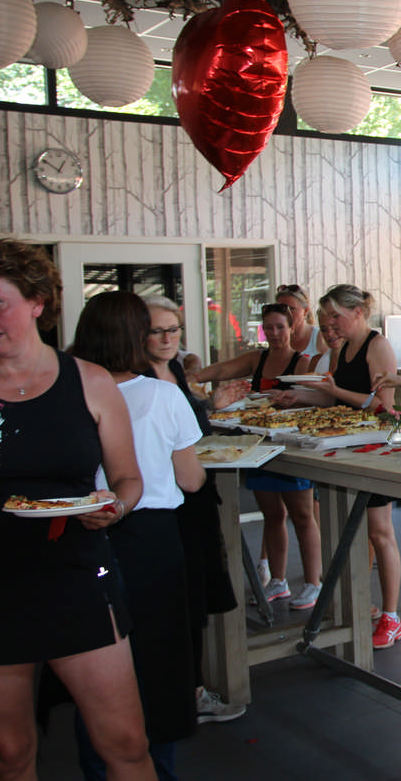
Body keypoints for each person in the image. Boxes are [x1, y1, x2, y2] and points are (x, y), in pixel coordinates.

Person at [0, 236, 154, 780]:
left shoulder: (89, 381)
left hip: (76, 581)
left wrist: (116, 506)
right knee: (8, 754)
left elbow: (128, 478)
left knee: (126, 743)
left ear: (37, 301)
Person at [70, 291, 206, 779]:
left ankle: (97, 765)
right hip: (148, 538)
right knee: (156, 661)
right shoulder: (161, 395)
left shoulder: (67, 391)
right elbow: (191, 480)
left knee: (95, 667)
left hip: (82, 535)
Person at [277, 284, 401, 648]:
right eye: (327, 317)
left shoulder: (377, 346)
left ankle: (392, 616)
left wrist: (332, 392)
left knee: (380, 532)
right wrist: (297, 397)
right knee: (350, 531)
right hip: (346, 446)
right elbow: (331, 398)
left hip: (374, 448)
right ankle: (358, 603)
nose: (330, 324)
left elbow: (383, 405)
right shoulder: (342, 348)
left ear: (358, 312)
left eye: (336, 316)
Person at [143, 296, 245, 725]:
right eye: (157, 330)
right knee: (176, 604)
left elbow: (187, 428)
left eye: (174, 330)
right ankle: (181, 696)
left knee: (194, 600)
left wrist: (210, 407)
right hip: (168, 503)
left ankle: (191, 690)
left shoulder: (175, 371)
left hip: (195, 499)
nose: (167, 338)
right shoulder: (138, 379)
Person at [192, 303, 323, 610]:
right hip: (258, 443)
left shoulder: (302, 362)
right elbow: (221, 370)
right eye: (269, 328)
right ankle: (278, 580)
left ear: (292, 327)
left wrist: (289, 399)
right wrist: (187, 377)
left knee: (303, 515)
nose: (275, 334)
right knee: (272, 515)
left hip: (290, 444)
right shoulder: (257, 358)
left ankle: (313, 582)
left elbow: (316, 400)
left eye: (280, 327)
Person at [276, 283, 326, 356]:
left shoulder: (320, 338)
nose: (286, 313)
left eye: (292, 309)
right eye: (281, 309)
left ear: (305, 311)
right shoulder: (275, 338)